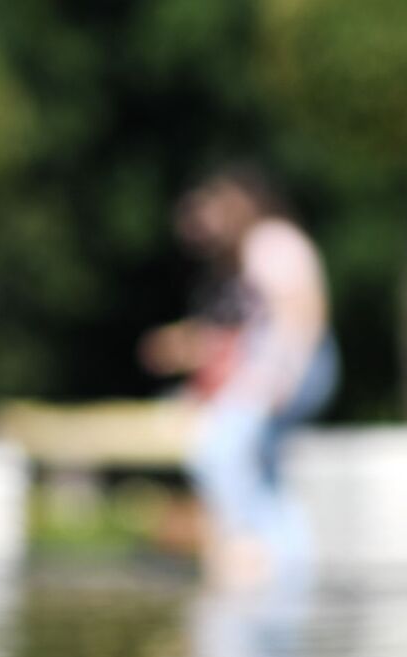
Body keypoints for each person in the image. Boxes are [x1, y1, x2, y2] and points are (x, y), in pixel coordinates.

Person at [143, 165, 336, 585]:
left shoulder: (270, 243)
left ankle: (247, 549)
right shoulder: (239, 260)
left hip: (293, 369)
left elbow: (302, 315)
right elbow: (238, 335)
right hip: (275, 372)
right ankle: (286, 564)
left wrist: (278, 380)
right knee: (261, 467)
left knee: (221, 449)